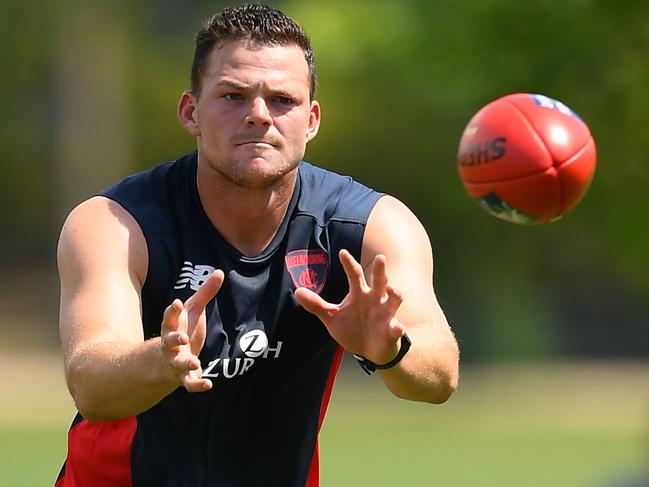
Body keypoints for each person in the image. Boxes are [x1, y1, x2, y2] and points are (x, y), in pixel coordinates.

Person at [55, 4, 459, 486]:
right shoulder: (116, 223)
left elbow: (440, 376)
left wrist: (390, 348)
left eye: (283, 100)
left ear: (311, 120)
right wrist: (161, 360)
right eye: (233, 95)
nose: (258, 116)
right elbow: (90, 384)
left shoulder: (370, 225)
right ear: (191, 112)